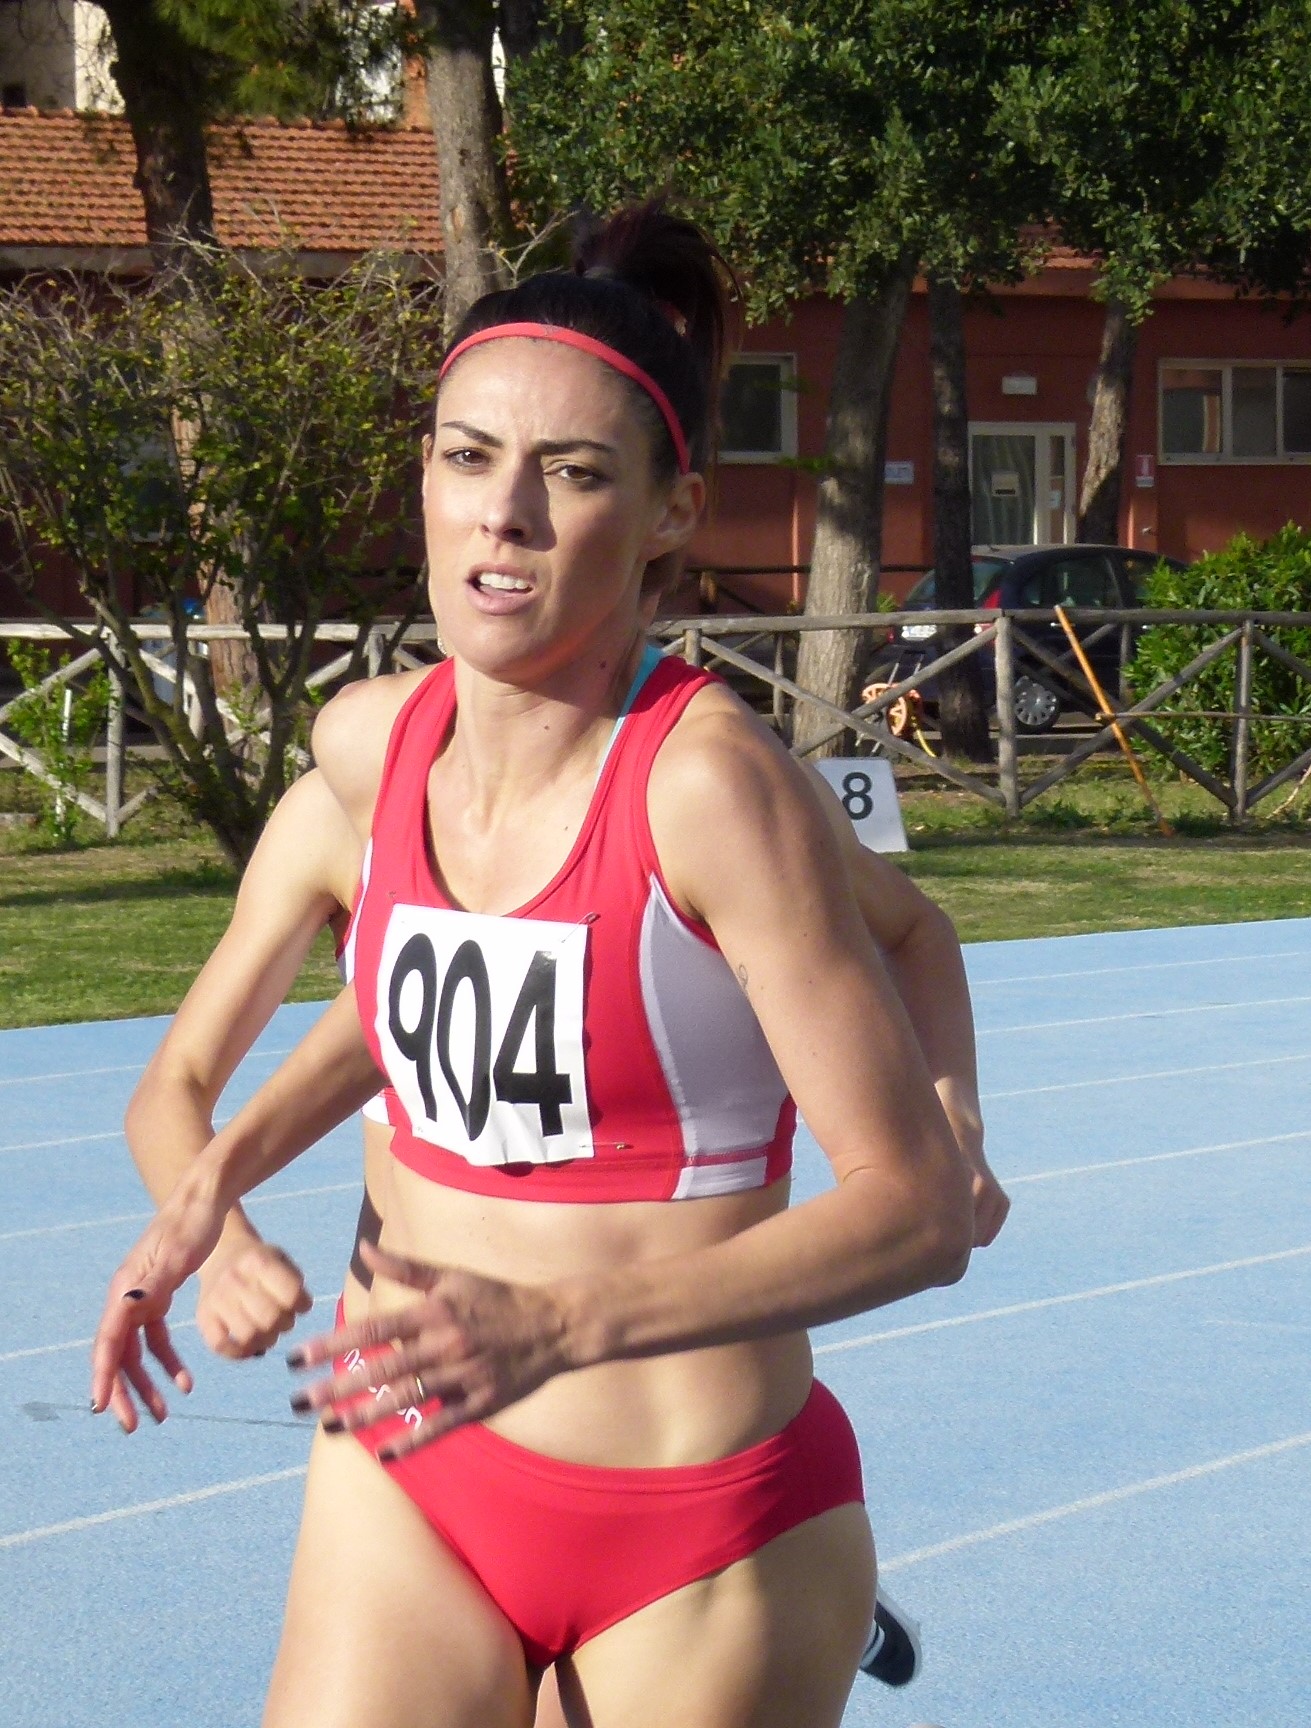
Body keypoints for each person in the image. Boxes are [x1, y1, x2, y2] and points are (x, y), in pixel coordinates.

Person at [92, 202, 989, 1728]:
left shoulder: (713, 793)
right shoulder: (369, 748)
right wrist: (206, 1198)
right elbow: (415, 1011)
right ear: (425, 478)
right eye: (467, 457)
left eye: (571, 474)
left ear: (670, 514)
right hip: (408, 1468)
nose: (502, 514)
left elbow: (919, 1209)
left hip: (695, 1522)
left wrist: (953, 1114)